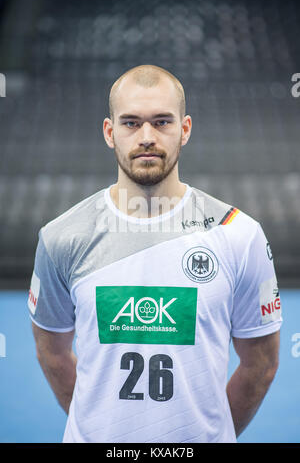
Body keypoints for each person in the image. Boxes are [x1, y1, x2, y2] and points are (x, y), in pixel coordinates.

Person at [28, 64, 282, 443]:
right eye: (131, 123)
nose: (146, 136)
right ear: (109, 133)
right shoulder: (61, 237)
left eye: (162, 121)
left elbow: (260, 363)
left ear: (185, 129)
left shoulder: (238, 235)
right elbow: (52, 353)